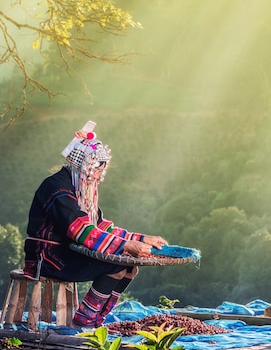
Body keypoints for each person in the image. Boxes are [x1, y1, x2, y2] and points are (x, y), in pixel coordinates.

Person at [23, 126, 168, 328]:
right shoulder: (57, 188)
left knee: (129, 267)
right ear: (83, 165)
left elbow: (100, 227)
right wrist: (125, 245)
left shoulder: (81, 190)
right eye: (96, 168)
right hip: (46, 256)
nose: (99, 174)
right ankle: (84, 321)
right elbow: (79, 229)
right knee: (116, 265)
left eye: (102, 168)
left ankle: (96, 318)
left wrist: (140, 240)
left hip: (67, 251)